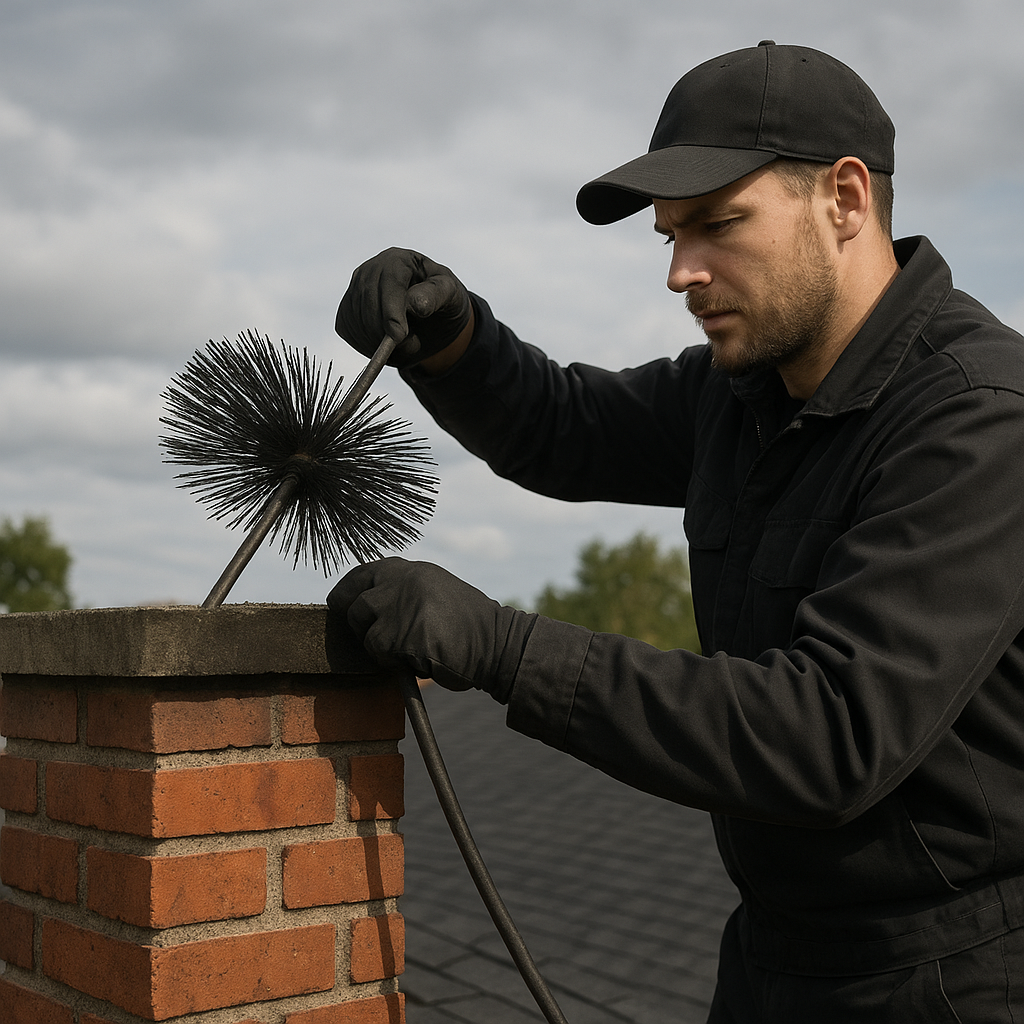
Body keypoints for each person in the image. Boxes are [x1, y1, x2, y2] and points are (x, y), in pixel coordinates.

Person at [328, 41, 1024, 1022]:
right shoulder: (742, 393)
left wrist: (500, 647)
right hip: (769, 956)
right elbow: (567, 430)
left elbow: (829, 733)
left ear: (845, 198)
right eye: (669, 236)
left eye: (718, 225)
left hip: (950, 978)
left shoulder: (979, 417)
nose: (681, 272)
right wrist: (454, 343)